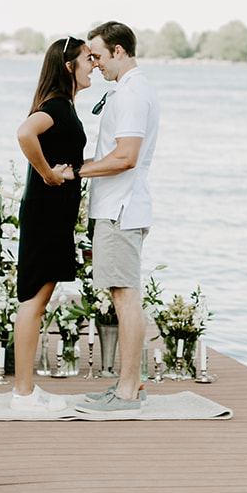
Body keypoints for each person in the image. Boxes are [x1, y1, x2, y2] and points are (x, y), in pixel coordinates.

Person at [76, 21, 160, 416]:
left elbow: (126, 157)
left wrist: (76, 172)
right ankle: (130, 383)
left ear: (119, 51)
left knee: (125, 298)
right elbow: (117, 152)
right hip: (119, 207)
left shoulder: (131, 94)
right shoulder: (130, 90)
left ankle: (127, 391)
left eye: (98, 55)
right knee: (122, 296)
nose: (95, 63)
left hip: (121, 210)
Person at [9, 35, 91, 417]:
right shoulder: (56, 105)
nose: (93, 65)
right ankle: (22, 394)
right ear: (69, 66)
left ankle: (26, 390)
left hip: (54, 214)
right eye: (88, 59)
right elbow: (25, 132)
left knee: (37, 300)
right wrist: (47, 175)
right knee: (34, 301)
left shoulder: (66, 107)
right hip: (45, 212)